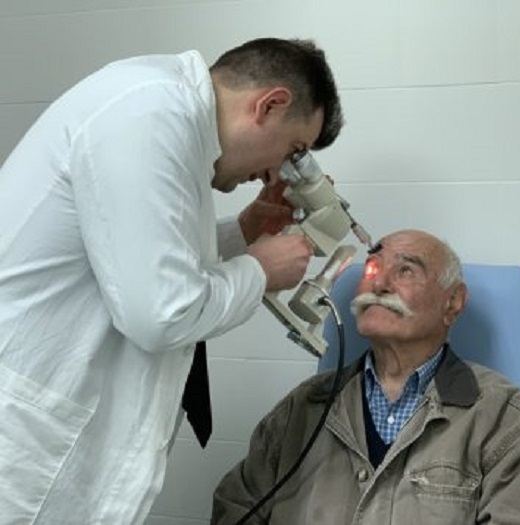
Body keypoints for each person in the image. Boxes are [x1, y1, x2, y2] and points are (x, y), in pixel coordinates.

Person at [0, 38, 343, 524]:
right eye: (294, 150)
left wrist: (245, 232)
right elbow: (163, 314)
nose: (277, 174)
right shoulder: (150, 116)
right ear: (269, 105)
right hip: (27, 443)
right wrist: (261, 270)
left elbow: (137, 257)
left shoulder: (164, 114)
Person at [211, 229, 520, 524]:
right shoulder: (299, 411)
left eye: (406, 271)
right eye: (372, 268)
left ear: (453, 302)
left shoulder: (508, 424)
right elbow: (235, 511)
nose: (378, 283)